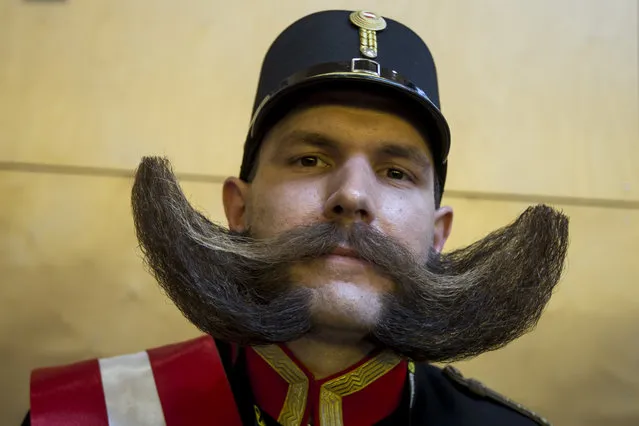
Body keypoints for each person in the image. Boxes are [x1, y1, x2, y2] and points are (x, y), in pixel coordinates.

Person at [23, 9, 569, 426]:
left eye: (397, 172)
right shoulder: (92, 413)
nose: (352, 195)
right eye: (310, 159)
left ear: (437, 234)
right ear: (239, 208)